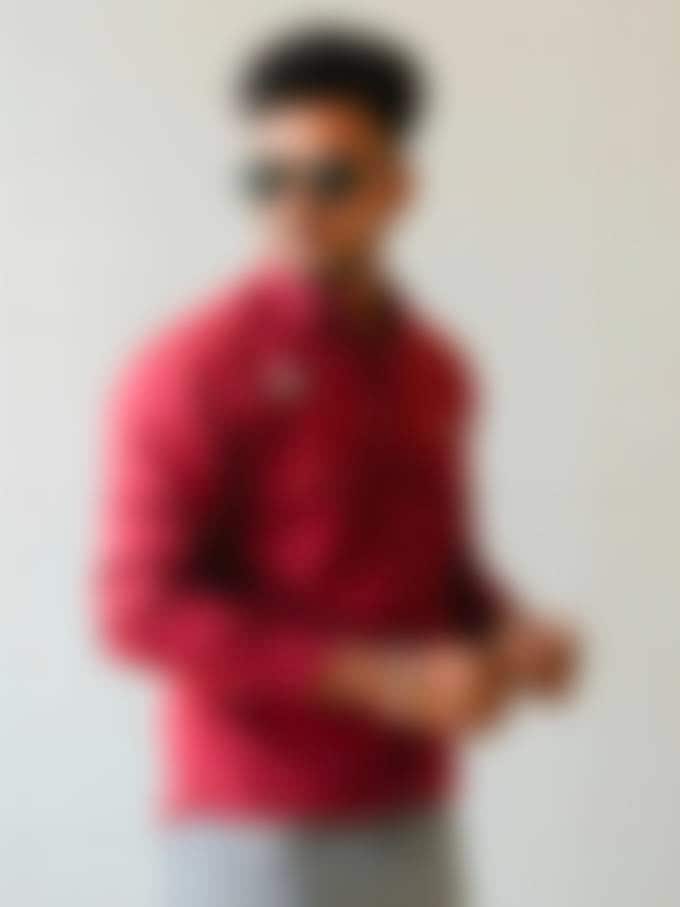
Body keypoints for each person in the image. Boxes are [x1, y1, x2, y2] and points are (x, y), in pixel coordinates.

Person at [93, 24, 578, 907]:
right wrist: (384, 682)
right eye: (266, 179)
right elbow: (139, 608)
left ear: (397, 187)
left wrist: (508, 635)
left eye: (330, 177)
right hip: (255, 821)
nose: (294, 206)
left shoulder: (433, 367)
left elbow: (441, 568)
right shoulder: (194, 369)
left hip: (407, 808)